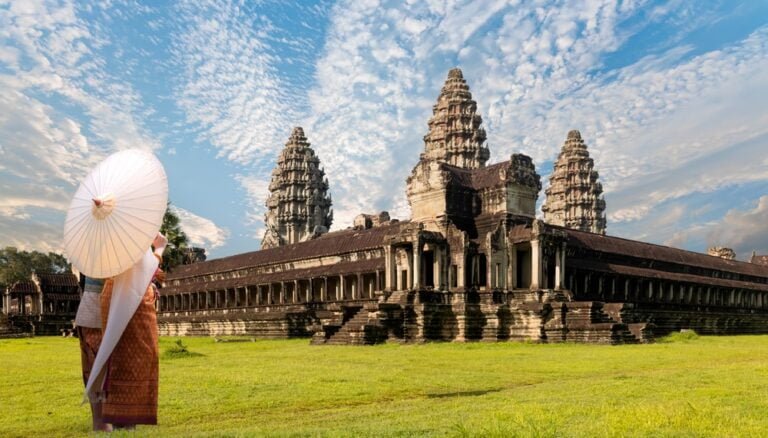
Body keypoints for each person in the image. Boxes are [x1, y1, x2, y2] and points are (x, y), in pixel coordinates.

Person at [93, 232, 167, 429]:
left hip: (113, 293)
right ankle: (127, 420)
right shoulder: (130, 233)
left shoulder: (107, 236)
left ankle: (121, 417)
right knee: (139, 356)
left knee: (119, 356)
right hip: (132, 297)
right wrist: (159, 249)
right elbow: (144, 270)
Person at [74, 276, 111, 432]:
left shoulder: (88, 261)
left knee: (94, 370)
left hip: (90, 313)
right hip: (99, 313)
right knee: (98, 371)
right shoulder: (109, 262)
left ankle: (100, 421)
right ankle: (101, 422)